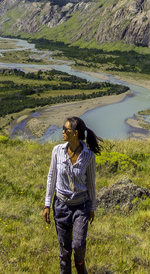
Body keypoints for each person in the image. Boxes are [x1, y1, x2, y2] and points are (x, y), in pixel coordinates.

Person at [43, 116, 101, 274]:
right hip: (61, 206)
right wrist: (47, 204)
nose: (62, 131)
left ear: (75, 133)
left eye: (65, 129)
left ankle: (80, 264)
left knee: (78, 245)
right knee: (65, 251)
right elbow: (51, 177)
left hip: (81, 206)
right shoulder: (57, 151)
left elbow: (91, 183)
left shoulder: (89, 156)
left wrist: (92, 207)